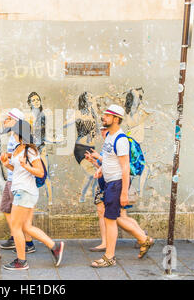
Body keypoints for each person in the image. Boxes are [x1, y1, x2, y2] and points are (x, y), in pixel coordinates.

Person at [90, 105, 154, 268]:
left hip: (116, 184)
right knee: (116, 217)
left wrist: (124, 192)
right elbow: (110, 161)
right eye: (104, 115)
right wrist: (100, 170)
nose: (103, 117)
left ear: (116, 119)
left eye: (107, 115)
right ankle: (143, 238)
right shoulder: (110, 137)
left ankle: (109, 256)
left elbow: (125, 167)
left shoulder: (121, 139)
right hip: (109, 182)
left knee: (111, 219)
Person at [0, 120, 64, 270]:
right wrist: (6, 163)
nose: (13, 135)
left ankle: (21, 261)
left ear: (21, 134)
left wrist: (26, 166)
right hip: (22, 191)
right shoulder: (18, 148)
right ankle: (55, 247)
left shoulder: (31, 151)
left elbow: (40, 172)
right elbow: (16, 169)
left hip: (25, 192)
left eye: (14, 132)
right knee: (26, 227)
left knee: (16, 228)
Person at [85, 126, 147, 252]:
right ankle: (142, 237)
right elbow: (105, 167)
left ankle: (143, 238)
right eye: (101, 129)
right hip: (109, 184)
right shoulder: (108, 144)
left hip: (113, 185)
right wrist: (93, 161)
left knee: (114, 217)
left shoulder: (117, 142)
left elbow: (121, 165)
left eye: (104, 129)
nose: (102, 132)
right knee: (120, 216)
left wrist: (99, 157)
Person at [0, 108, 35, 254]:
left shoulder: (21, 138)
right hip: (11, 180)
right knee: (6, 208)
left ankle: (29, 243)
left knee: (22, 215)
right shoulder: (13, 136)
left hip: (18, 182)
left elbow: (24, 160)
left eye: (8, 118)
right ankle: (15, 237)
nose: (5, 120)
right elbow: (15, 155)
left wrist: (8, 162)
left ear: (15, 121)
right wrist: (7, 156)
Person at [64, 91, 100, 203]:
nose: (92, 98)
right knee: (90, 174)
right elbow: (66, 123)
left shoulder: (94, 113)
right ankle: (82, 197)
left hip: (92, 148)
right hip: (81, 148)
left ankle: (95, 197)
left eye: (92, 96)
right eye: (89, 96)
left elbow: (97, 130)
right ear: (84, 100)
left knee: (97, 175)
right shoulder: (78, 113)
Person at [26, 92, 54, 205]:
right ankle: (31, 203)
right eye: (34, 100)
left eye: (38, 99)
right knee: (31, 176)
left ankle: (50, 201)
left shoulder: (43, 115)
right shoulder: (28, 117)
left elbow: (46, 133)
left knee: (46, 175)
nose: (37, 102)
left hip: (41, 148)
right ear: (29, 103)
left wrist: (52, 140)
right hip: (32, 149)